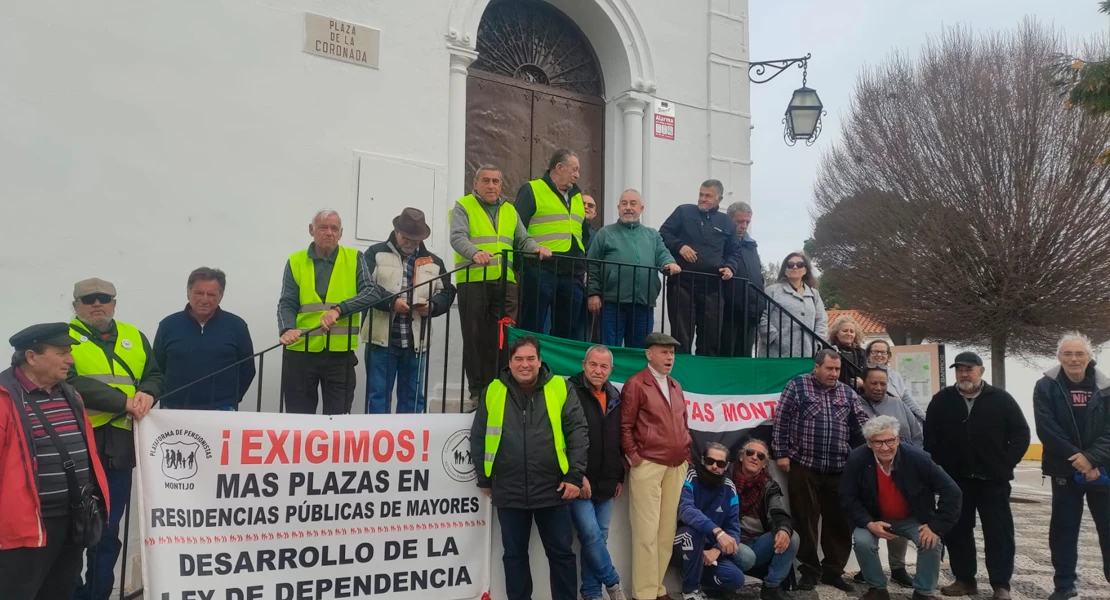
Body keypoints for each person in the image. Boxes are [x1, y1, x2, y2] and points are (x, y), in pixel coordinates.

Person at [470, 335, 588, 600]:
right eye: (519, 359)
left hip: (554, 488)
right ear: (510, 363)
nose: (525, 365)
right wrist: (484, 479)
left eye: (530, 359)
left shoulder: (560, 387)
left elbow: (578, 434)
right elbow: (478, 438)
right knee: (513, 556)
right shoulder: (493, 390)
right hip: (508, 488)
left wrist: (574, 477)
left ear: (540, 361)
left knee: (561, 555)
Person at [65, 278, 160, 600]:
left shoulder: (135, 336)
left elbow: (155, 374)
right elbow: (68, 381)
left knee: (107, 530)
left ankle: (97, 594)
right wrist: (122, 402)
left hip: (119, 445)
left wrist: (148, 392)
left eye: (103, 298)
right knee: (70, 529)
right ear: (75, 305)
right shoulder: (61, 338)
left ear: (114, 303)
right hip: (76, 444)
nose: (97, 304)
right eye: (88, 299)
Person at [1, 323, 110, 600]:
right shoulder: (4, 398)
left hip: (73, 520)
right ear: (32, 357)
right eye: (62, 352)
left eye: (69, 352)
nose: (70, 360)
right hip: (26, 527)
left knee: (61, 591)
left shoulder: (69, 394)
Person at [923, 352, 1030, 600]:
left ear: (981, 371)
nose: (963, 373)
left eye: (969, 369)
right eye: (959, 369)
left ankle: (1001, 585)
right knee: (957, 531)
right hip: (955, 482)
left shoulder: (1002, 399)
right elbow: (930, 437)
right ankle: (964, 580)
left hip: (993, 481)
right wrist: (941, 469)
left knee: (999, 533)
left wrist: (1005, 463)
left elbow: (1021, 434)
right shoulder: (942, 400)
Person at [451, 166, 549, 410]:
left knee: (504, 339)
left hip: (505, 284)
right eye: (486, 180)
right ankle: (478, 393)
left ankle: (502, 387)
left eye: (496, 181)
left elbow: (522, 239)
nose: (491, 185)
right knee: (474, 339)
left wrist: (536, 248)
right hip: (473, 280)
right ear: (475, 183)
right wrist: (474, 253)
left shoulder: (510, 210)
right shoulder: (463, 206)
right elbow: (457, 237)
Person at [771, 348, 869, 592]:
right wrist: (780, 453)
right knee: (805, 519)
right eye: (829, 368)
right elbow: (781, 420)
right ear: (816, 367)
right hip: (804, 466)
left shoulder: (848, 393)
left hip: (839, 468)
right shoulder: (797, 386)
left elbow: (862, 427)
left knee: (839, 522)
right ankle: (809, 570)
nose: (834, 373)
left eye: (837, 369)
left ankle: (833, 571)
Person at [277, 209, 386, 415]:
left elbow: (372, 292)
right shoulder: (296, 260)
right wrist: (287, 329)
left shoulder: (355, 258)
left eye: (334, 228)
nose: (329, 233)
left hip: (339, 355)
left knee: (337, 422)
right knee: (299, 419)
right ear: (311, 230)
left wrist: (339, 310)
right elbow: (287, 303)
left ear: (341, 233)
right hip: (301, 351)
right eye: (323, 227)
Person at [841, 416, 962, 600]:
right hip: (874, 518)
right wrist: (868, 523)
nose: (885, 447)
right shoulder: (857, 459)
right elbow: (848, 496)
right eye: (878, 442)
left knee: (931, 542)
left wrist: (935, 526)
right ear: (868, 443)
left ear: (897, 439)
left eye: (890, 440)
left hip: (911, 518)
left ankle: (923, 592)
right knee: (863, 541)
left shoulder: (917, 458)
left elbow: (952, 491)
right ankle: (877, 588)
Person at [1032, 332, 1110, 600]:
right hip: (1064, 468)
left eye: (1079, 353)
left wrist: (1093, 459)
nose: (1074, 359)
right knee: (1063, 529)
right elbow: (1047, 428)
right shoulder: (1045, 386)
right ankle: (1064, 585)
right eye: (1068, 353)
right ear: (1059, 356)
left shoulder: (1107, 386)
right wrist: (1079, 459)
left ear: (1089, 357)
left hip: (1103, 469)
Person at [620, 332, 693, 600]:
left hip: (676, 466)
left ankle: (658, 587)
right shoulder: (636, 384)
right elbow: (625, 426)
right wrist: (635, 458)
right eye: (664, 352)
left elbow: (683, 424)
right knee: (645, 532)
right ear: (649, 354)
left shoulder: (675, 385)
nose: (669, 357)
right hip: (648, 465)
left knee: (665, 534)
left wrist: (686, 454)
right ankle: (644, 593)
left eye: (672, 353)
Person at [362, 208, 456, 414]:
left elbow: (448, 292)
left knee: (413, 400)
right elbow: (364, 287)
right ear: (396, 232)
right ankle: (380, 444)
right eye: (406, 237)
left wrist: (432, 306)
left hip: (416, 343)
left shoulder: (435, 262)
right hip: (381, 340)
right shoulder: (374, 254)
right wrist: (391, 302)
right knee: (378, 397)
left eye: (415, 239)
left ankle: (409, 444)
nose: (410, 242)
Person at [567, 346, 628, 600]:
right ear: (584, 365)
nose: (598, 370)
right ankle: (614, 584)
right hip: (579, 481)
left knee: (597, 539)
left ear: (611, 370)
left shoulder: (616, 396)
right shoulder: (570, 391)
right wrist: (574, 474)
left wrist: (619, 476)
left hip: (607, 483)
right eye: (593, 364)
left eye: (604, 366)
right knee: (591, 534)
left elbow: (618, 441)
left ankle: (592, 593)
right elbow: (563, 436)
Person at [586, 190, 681, 348]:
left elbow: (662, 254)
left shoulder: (652, 235)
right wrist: (593, 293)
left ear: (641, 208)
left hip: (643, 304)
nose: (628, 207)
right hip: (611, 303)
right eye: (624, 203)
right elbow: (592, 265)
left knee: (639, 351)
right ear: (618, 207)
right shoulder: (605, 233)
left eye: (633, 203)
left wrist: (670, 263)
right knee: (609, 349)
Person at [154, 267, 256, 411]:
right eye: (199, 293)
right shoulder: (168, 325)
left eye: (211, 294)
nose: (204, 300)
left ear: (221, 296)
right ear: (188, 292)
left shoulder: (237, 326)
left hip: (222, 409)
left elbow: (247, 370)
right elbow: (157, 368)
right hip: (174, 409)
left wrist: (231, 399)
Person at [659, 180, 741, 356]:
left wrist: (729, 267)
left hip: (713, 288)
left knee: (711, 340)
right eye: (701, 194)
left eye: (708, 196)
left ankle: (705, 379)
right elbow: (663, 233)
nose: (702, 199)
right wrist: (680, 246)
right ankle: (681, 379)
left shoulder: (726, 222)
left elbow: (734, 251)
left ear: (718, 199)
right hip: (682, 285)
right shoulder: (683, 212)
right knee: (681, 338)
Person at [515, 149, 587, 339]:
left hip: (572, 273)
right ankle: (531, 366)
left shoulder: (578, 196)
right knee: (533, 325)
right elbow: (516, 228)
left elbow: (583, 232)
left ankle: (559, 369)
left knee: (567, 331)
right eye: (574, 169)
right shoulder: (532, 189)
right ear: (559, 168)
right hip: (540, 269)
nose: (577, 175)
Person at [672, 442, 746, 600]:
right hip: (680, 542)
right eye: (710, 461)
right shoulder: (691, 476)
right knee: (695, 532)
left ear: (726, 466)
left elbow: (734, 529)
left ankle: (692, 572)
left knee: (736, 579)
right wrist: (717, 532)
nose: (714, 466)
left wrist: (717, 549)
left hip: (709, 550)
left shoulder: (729, 488)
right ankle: (690, 591)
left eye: (720, 463)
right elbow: (685, 510)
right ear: (703, 460)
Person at [730, 438, 799, 600]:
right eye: (750, 453)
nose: (755, 457)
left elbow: (777, 511)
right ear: (741, 456)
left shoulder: (769, 485)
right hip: (730, 541)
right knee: (746, 557)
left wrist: (783, 529)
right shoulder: (726, 478)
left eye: (760, 456)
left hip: (756, 544)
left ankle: (771, 587)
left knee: (792, 537)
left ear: (764, 464)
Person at [757, 253, 827, 358]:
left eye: (799, 264)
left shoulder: (814, 295)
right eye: (790, 264)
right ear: (785, 269)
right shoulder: (772, 291)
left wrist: (817, 342)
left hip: (807, 353)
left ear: (805, 270)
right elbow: (761, 315)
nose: (795, 267)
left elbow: (821, 320)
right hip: (775, 353)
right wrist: (773, 337)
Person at [722, 201, 765, 357]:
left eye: (747, 222)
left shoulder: (751, 245)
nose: (744, 225)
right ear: (730, 220)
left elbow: (757, 274)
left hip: (750, 313)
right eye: (740, 221)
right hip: (727, 312)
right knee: (726, 357)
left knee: (745, 358)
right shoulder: (721, 242)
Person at [864, 340, 926, 423]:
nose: (879, 355)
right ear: (868, 354)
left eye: (883, 352)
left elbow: (909, 401)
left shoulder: (895, 376)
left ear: (888, 356)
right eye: (875, 351)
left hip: (899, 420)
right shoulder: (862, 375)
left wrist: (926, 418)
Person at [829, 316, 868, 390]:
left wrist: (863, 383)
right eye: (845, 331)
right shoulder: (830, 351)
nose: (848, 334)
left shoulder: (862, 353)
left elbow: (867, 374)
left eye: (852, 331)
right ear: (836, 333)